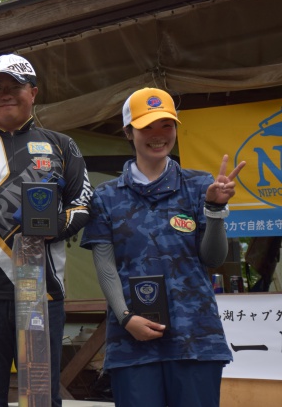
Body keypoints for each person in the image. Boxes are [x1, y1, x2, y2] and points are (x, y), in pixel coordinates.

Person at [0, 54, 92, 407]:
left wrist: (54, 228)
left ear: (34, 92)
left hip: (40, 289)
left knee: (40, 398)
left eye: (16, 86)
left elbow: (83, 204)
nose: (6, 94)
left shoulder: (62, 144)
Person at [81, 87, 245, 407]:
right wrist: (126, 317)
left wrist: (214, 210)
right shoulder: (106, 196)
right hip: (132, 342)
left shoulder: (199, 185)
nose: (158, 135)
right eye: (147, 127)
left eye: (166, 126)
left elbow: (213, 258)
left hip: (195, 337)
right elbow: (105, 265)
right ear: (129, 132)